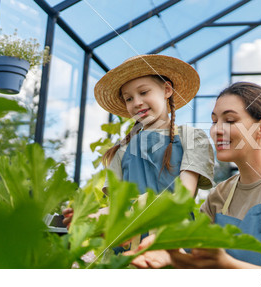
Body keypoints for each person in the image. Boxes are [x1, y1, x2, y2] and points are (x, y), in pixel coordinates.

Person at [128, 81, 261, 269]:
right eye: (214, 121)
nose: (216, 130)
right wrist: (166, 250)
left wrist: (226, 265)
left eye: (230, 120)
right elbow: (192, 248)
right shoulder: (221, 194)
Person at [63, 55, 215, 248]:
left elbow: (181, 198)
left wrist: (107, 215)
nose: (137, 102)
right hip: (127, 244)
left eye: (144, 92)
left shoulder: (191, 138)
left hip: (174, 241)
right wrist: (91, 218)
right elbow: (116, 208)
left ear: (167, 90)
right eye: (129, 98)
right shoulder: (121, 150)